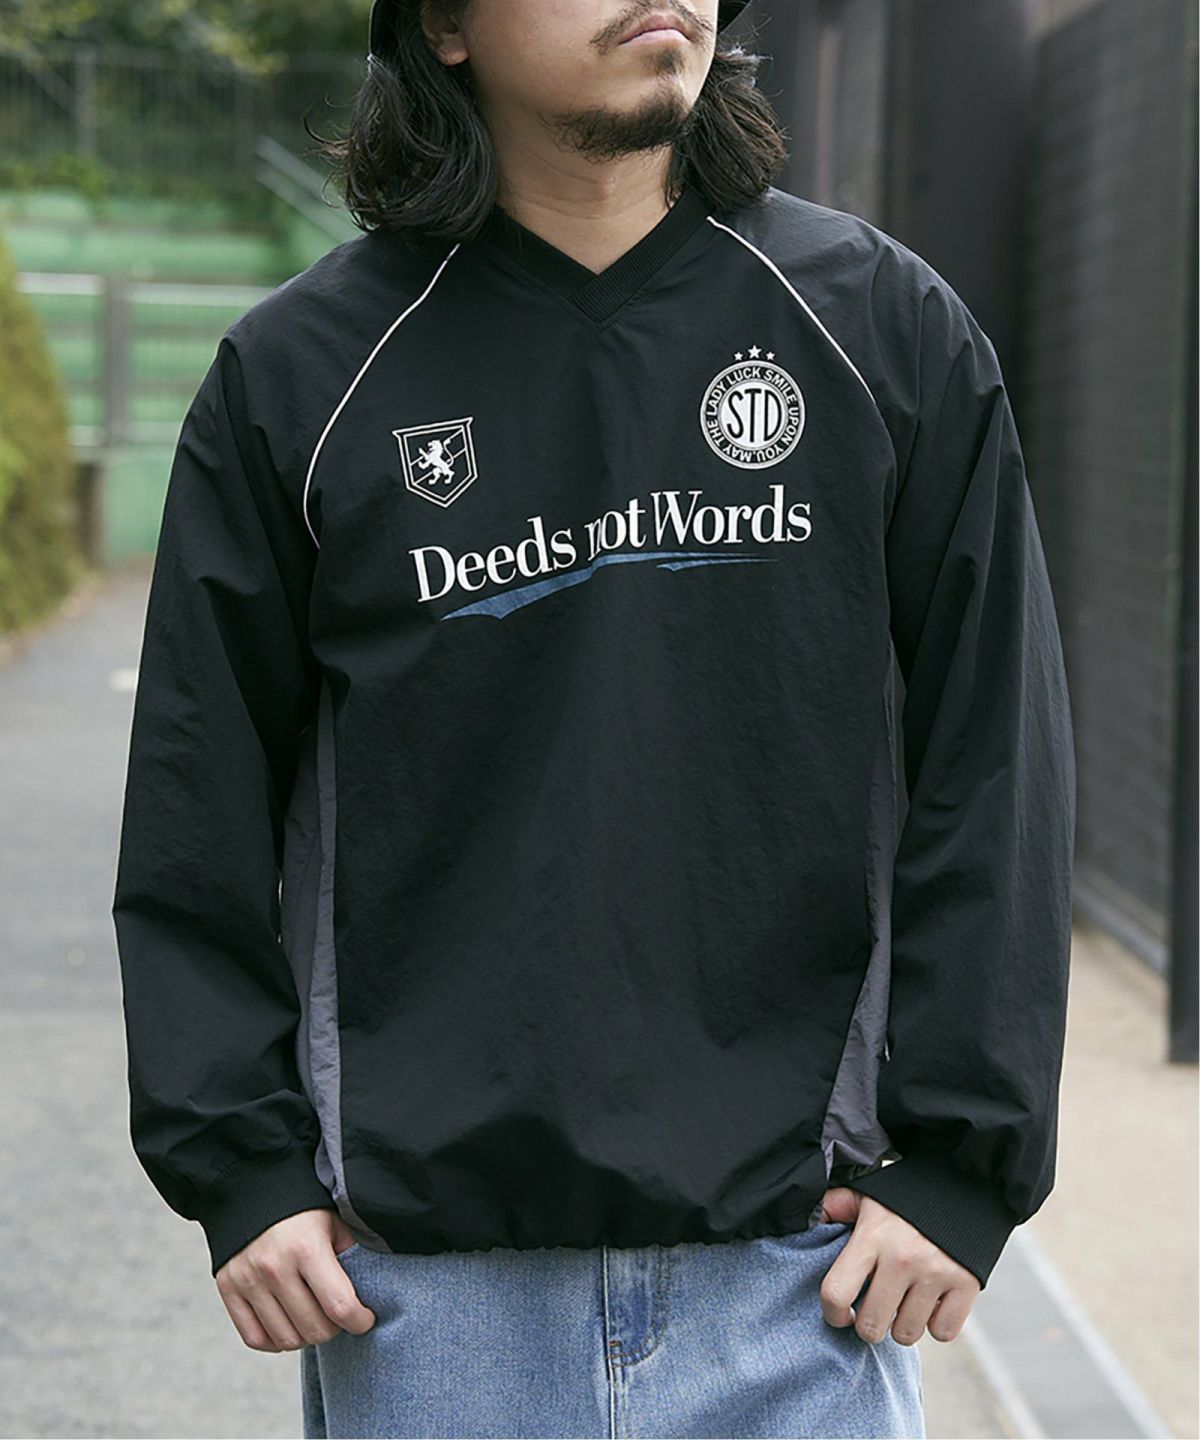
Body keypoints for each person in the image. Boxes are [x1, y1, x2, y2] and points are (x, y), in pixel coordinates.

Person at [109, 1, 1077, 1436]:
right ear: (444, 24)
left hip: (802, 1279)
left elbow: (997, 756)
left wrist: (959, 1164)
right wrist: (239, 1166)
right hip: (425, 1295)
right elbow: (198, 801)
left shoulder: (882, 327)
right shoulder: (303, 373)